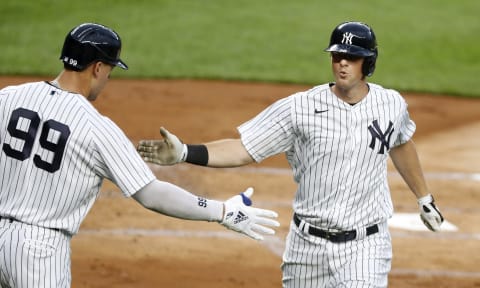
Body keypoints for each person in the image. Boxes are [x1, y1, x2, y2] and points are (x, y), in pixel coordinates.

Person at [137, 21, 445, 287]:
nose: (342, 63)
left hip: (365, 245)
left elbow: (401, 142)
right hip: (306, 247)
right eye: (338, 55)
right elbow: (244, 148)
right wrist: (184, 152)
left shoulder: (391, 104)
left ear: (369, 63)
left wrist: (424, 197)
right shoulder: (299, 108)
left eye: (352, 57)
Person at [0, 22, 280, 287]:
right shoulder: (96, 127)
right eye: (110, 69)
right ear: (97, 67)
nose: (108, 77)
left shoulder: (9, 97)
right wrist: (223, 211)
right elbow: (151, 194)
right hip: (37, 253)